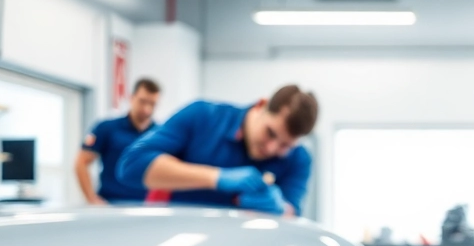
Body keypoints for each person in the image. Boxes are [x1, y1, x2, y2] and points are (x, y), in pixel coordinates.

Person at [117, 85, 318, 216]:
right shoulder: (203, 117)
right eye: (271, 133)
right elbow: (131, 166)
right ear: (261, 105)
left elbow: (293, 214)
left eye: (285, 145)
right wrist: (216, 177)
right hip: (174, 244)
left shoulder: (299, 160)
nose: (272, 148)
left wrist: (279, 208)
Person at [75, 78, 161, 205]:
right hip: (111, 205)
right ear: (132, 98)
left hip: (147, 206)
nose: (146, 109)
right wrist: (92, 199)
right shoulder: (107, 128)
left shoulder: (160, 134)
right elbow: (81, 163)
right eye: (142, 102)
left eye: (152, 104)